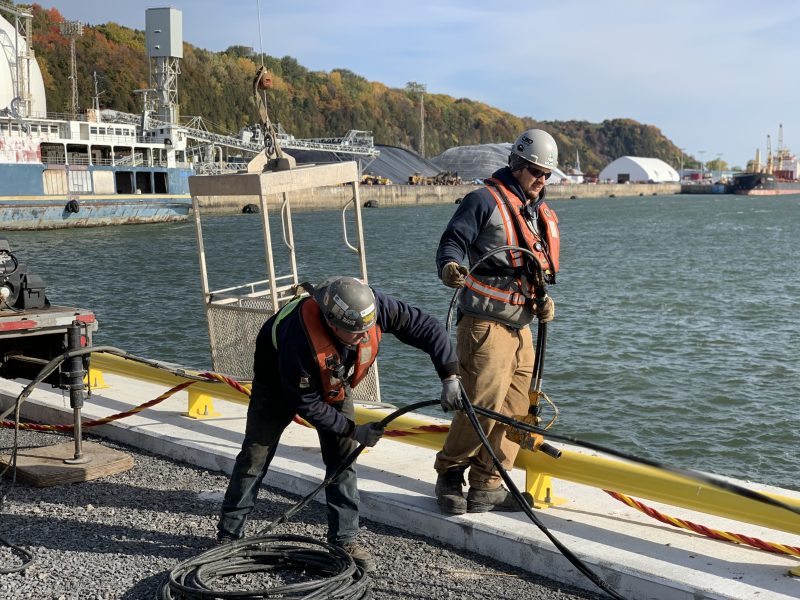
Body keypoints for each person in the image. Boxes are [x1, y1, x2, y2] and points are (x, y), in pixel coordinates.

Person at [217, 276, 461, 573]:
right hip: (279, 388)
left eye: (366, 331)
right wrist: (353, 430)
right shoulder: (299, 336)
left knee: (342, 460)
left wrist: (450, 376)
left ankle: (344, 538)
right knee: (255, 455)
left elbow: (427, 327)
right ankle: (229, 534)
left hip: (333, 383)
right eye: (355, 334)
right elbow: (305, 402)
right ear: (332, 323)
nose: (363, 337)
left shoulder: (371, 307)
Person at [433, 128, 561, 515]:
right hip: (485, 325)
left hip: (521, 327)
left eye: (547, 175)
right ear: (517, 165)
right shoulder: (483, 201)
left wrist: (542, 300)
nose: (541, 180)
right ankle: (450, 475)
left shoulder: (536, 212)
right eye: (535, 171)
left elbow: (531, 268)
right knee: (482, 403)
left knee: (516, 409)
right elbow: (452, 241)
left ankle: (489, 483)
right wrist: (450, 267)